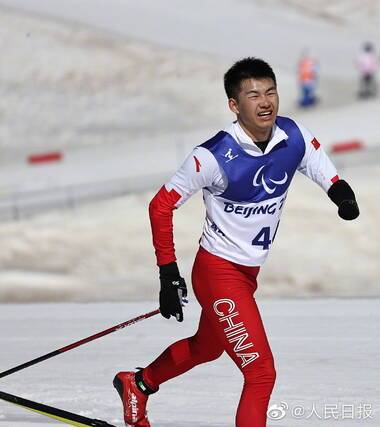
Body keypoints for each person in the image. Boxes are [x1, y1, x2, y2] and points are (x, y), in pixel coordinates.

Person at [112, 57, 359, 427]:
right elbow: (160, 206)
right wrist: (168, 273)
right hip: (218, 273)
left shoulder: (292, 136)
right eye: (254, 95)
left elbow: (322, 167)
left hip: (246, 274)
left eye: (271, 91)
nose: (266, 102)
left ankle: (139, 384)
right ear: (234, 104)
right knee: (261, 374)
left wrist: (341, 195)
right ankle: (141, 384)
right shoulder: (212, 156)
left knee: (206, 348)